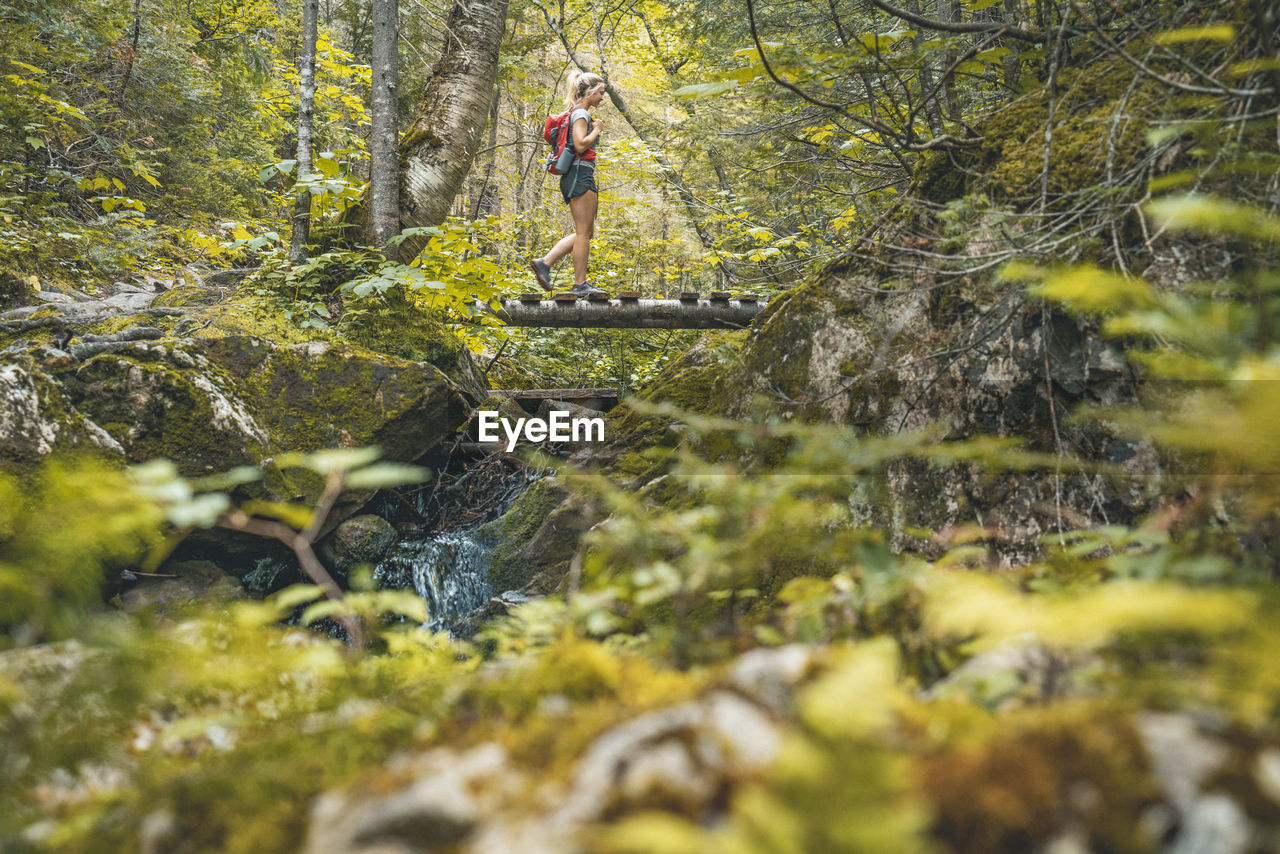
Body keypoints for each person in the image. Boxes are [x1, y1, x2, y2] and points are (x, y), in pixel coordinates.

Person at [530, 70, 608, 295]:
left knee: (586, 231)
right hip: (579, 174)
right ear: (590, 91)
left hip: (575, 175)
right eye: (600, 92)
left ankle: (545, 262)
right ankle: (580, 284)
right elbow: (581, 144)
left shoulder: (575, 112)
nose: (602, 97)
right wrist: (597, 130)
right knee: (584, 233)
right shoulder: (581, 114)